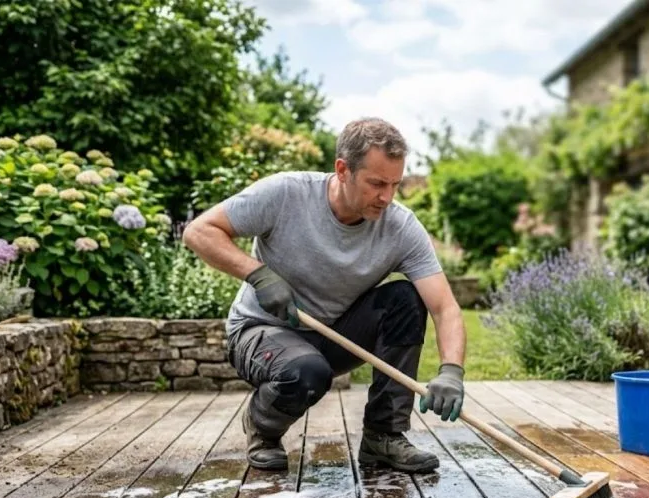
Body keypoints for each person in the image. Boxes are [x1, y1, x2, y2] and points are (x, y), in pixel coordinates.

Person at [182, 117, 466, 473]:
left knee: (406, 300)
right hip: (260, 331)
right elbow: (199, 231)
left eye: (395, 184)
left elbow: (444, 307)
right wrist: (258, 275)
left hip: (331, 335)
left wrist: (451, 371)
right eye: (376, 183)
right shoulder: (286, 194)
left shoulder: (400, 227)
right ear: (342, 169)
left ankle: (384, 436)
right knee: (306, 373)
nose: (387, 197)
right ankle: (262, 428)